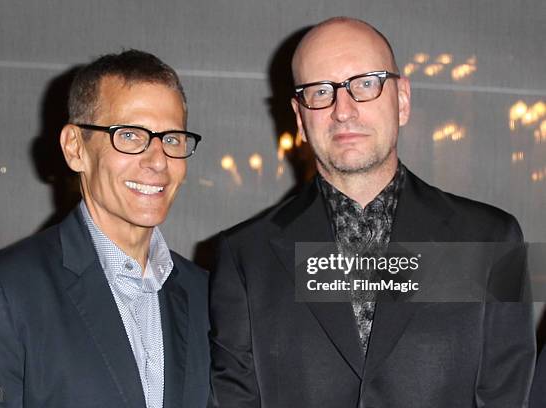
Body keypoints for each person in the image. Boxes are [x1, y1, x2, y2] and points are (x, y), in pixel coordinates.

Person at [209, 17, 535, 407]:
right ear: (299, 118)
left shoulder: (491, 240)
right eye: (319, 91)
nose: (343, 110)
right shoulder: (246, 257)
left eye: (365, 84)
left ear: (402, 100)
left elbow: (506, 394)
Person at [0, 50, 209, 408]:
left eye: (171, 138)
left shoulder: (205, 293)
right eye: (130, 136)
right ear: (75, 148)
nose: (158, 160)